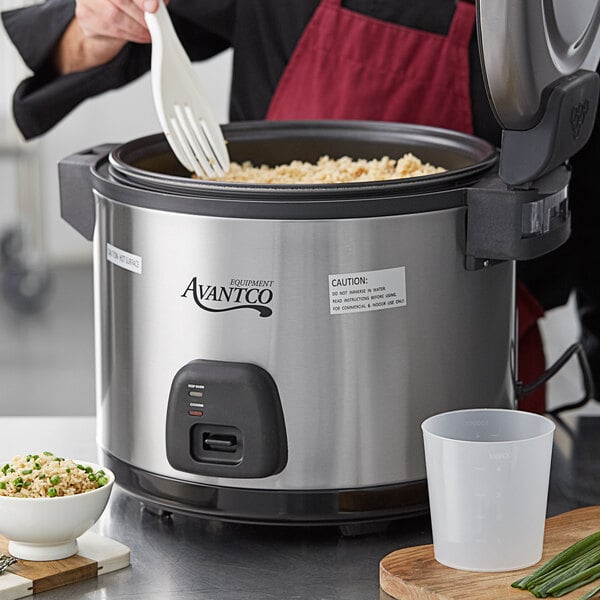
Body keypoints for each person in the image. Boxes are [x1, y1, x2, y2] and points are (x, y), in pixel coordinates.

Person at [2, 0, 599, 411]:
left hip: (470, 363)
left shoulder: (543, 16)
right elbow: (109, 34)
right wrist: (92, 27)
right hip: (248, 329)